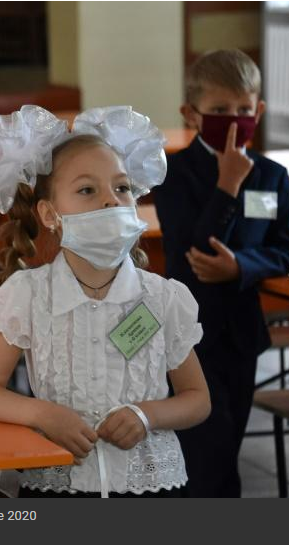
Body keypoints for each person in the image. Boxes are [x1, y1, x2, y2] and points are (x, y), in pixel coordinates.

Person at [0, 105, 211, 498]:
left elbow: (197, 399)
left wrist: (146, 415)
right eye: (87, 190)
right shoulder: (30, 295)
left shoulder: (164, 297)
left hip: (150, 487)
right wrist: (41, 414)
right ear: (49, 214)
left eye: (121, 188)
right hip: (59, 485)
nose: (110, 201)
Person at [153, 49, 289, 497]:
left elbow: (284, 247)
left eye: (244, 110)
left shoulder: (272, 175)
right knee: (205, 455)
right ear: (191, 114)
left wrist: (242, 266)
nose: (234, 119)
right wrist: (227, 185)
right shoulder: (173, 174)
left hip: (242, 334)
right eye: (218, 110)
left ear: (260, 110)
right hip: (189, 336)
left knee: (227, 446)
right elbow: (195, 251)